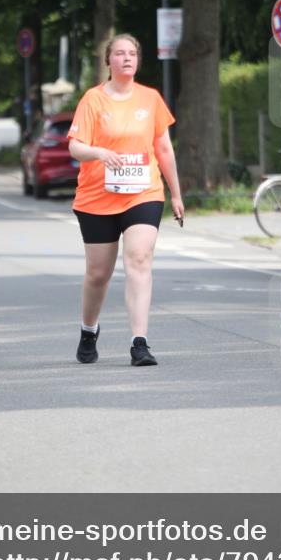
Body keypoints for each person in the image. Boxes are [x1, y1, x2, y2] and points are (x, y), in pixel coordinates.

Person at [68, 34, 185, 367]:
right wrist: (99, 153)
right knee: (98, 273)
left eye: (132, 53)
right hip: (97, 198)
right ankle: (88, 330)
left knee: (139, 259)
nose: (126, 58)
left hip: (143, 193)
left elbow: (164, 149)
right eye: (119, 53)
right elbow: (75, 147)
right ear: (108, 61)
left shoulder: (150, 99)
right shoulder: (93, 100)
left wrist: (176, 193)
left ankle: (139, 342)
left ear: (138, 60)